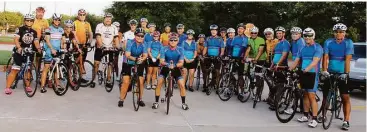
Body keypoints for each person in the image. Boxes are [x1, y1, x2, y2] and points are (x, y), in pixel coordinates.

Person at [321, 23, 353, 130]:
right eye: (337, 32)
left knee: (345, 97)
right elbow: (325, 57)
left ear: (345, 33)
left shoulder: (348, 42)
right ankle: (324, 115)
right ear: (334, 33)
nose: (339, 34)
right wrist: (324, 70)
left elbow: (348, 59)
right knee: (326, 96)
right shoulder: (328, 42)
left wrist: (346, 73)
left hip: (342, 73)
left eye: (341, 32)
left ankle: (346, 120)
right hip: (330, 72)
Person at [289, 28, 323, 128]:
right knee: (304, 95)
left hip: (312, 73)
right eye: (305, 36)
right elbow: (297, 60)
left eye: (309, 35)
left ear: (313, 36)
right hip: (304, 73)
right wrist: (290, 69)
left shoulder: (318, 47)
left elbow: (315, 61)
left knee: (311, 95)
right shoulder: (302, 48)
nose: (307, 37)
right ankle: (305, 115)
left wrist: (307, 69)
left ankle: (315, 119)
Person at [4, 14, 41, 94]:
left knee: (28, 70)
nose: (29, 22)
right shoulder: (20, 29)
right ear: (24, 21)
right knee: (15, 70)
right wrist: (19, 47)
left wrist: (38, 48)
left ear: (33, 22)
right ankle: (7, 87)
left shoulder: (34, 32)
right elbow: (16, 39)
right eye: (27, 20)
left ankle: (27, 86)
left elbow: (36, 42)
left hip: (29, 52)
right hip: (20, 52)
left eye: (31, 20)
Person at [152, 32, 189, 110]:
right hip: (165, 67)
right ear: (169, 41)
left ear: (177, 41)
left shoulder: (180, 49)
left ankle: (183, 103)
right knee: (159, 83)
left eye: (175, 40)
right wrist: (167, 64)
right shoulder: (164, 48)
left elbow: (181, 62)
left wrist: (175, 65)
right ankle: (156, 102)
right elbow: (161, 60)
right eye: (171, 40)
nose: (173, 41)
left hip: (176, 68)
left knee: (182, 85)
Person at [118, 28, 147, 107]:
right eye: (138, 36)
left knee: (141, 82)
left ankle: (140, 99)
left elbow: (145, 55)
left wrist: (142, 59)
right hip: (128, 62)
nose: (140, 37)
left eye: (142, 36)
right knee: (126, 82)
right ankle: (121, 99)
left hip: (139, 62)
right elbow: (127, 55)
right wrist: (135, 59)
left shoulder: (144, 44)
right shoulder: (130, 42)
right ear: (135, 35)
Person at [39, 13, 66, 93]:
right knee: (46, 68)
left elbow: (63, 40)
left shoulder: (61, 29)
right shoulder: (49, 29)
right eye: (56, 19)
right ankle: (42, 86)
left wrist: (63, 47)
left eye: (58, 20)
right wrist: (52, 49)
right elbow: (47, 40)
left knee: (57, 68)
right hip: (49, 50)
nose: (57, 21)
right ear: (53, 20)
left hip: (57, 50)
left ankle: (57, 84)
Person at [91, 13, 119, 88]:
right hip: (101, 47)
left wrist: (118, 46)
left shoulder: (114, 27)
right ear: (104, 18)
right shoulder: (99, 26)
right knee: (96, 63)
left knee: (110, 64)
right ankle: (93, 80)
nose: (108, 20)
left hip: (110, 48)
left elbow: (116, 38)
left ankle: (108, 80)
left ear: (111, 19)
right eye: (107, 18)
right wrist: (101, 46)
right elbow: (98, 36)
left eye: (110, 18)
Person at [268, 26, 290, 110]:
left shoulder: (286, 43)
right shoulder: (278, 43)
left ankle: (277, 103)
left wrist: (278, 64)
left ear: (283, 34)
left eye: (280, 33)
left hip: (282, 66)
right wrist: (271, 65)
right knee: (276, 83)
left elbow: (284, 55)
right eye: (277, 33)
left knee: (280, 85)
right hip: (276, 66)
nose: (278, 35)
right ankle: (275, 100)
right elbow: (275, 56)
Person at [226, 23, 248, 98]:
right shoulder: (235, 38)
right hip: (234, 57)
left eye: (241, 28)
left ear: (244, 30)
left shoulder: (245, 38)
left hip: (240, 58)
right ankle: (231, 88)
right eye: (239, 28)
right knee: (232, 73)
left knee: (240, 75)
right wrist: (229, 55)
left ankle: (241, 92)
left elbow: (243, 48)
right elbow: (231, 47)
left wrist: (239, 57)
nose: (239, 30)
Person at [202, 24, 225, 92]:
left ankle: (217, 87)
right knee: (206, 71)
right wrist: (203, 55)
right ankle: (205, 85)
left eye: (214, 30)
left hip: (217, 57)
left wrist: (220, 56)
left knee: (217, 72)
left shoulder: (220, 39)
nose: (213, 32)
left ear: (217, 31)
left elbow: (222, 49)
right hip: (209, 56)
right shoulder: (208, 38)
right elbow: (205, 48)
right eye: (212, 30)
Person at [73, 9, 93, 83]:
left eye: (83, 15)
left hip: (84, 45)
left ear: (85, 15)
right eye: (80, 15)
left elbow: (91, 34)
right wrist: (78, 43)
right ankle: (74, 77)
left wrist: (90, 42)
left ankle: (80, 77)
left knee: (82, 61)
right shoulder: (75, 23)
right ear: (78, 15)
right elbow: (74, 34)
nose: (82, 16)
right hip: (76, 45)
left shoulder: (87, 24)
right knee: (76, 61)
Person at [32, 7, 49, 72]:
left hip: (40, 41)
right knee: (30, 58)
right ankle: (28, 73)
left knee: (38, 58)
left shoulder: (45, 21)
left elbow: (47, 30)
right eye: (39, 12)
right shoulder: (32, 19)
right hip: (31, 40)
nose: (40, 14)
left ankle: (37, 71)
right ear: (36, 12)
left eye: (42, 12)